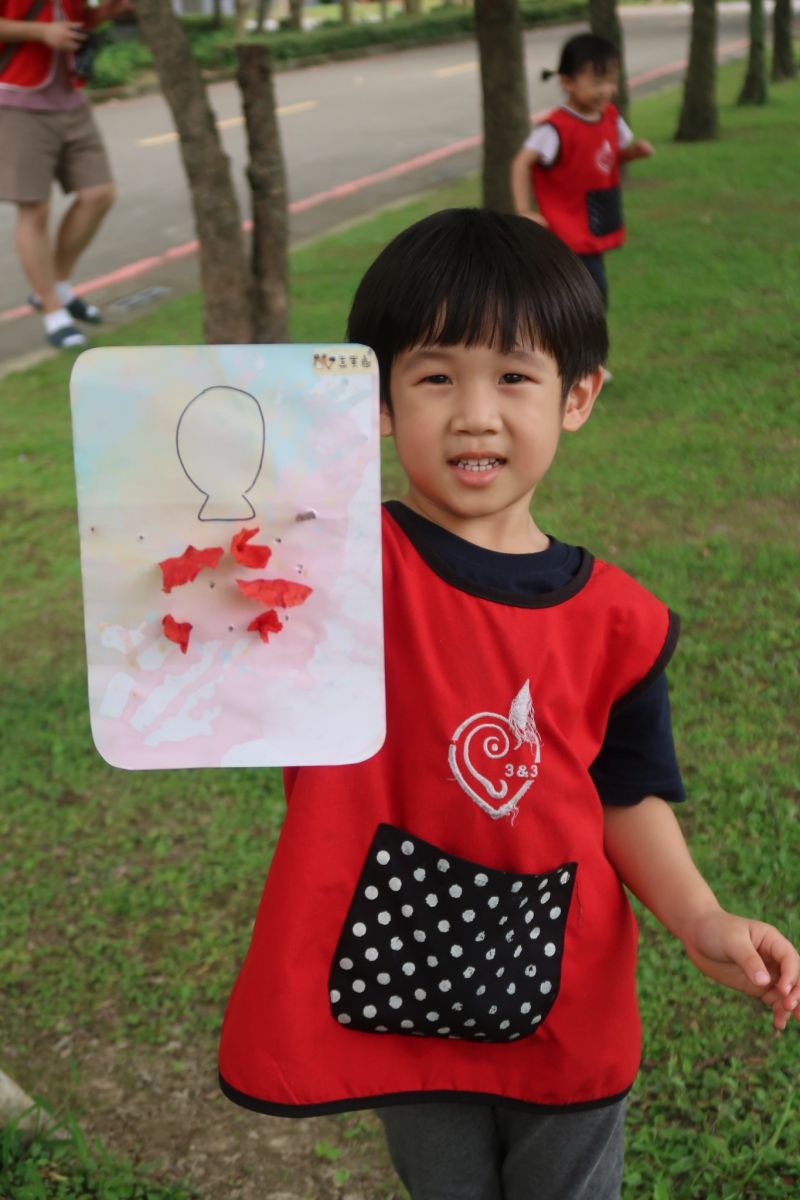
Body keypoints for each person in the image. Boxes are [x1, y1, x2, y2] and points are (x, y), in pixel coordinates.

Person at [217, 209, 799, 1200]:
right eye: (435, 377)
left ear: (578, 396)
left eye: (514, 377)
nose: (475, 415)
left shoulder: (618, 623)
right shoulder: (335, 569)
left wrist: (699, 917)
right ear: (378, 401)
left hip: (566, 996)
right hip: (400, 993)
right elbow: (220, 629)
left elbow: (625, 796)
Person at [510, 32, 653, 381]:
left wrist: (633, 154)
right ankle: (580, 366)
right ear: (567, 82)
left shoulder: (610, 118)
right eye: (596, 81)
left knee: (584, 296)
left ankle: (571, 363)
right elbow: (521, 163)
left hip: (594, 221)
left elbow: (608, 156)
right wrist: (524, 209)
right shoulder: (555, 129)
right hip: (567, 229)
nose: (606, 90)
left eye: (611, 80)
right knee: (588, 297)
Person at [0, 0, 126, 350]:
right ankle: (54, 312)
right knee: (35, 209)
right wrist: (40, 32)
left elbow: (77, 20)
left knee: (99, 194)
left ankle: (55, 287)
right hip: (16, 100)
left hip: (70, 97)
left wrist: (103, 15)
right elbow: (43, 26)